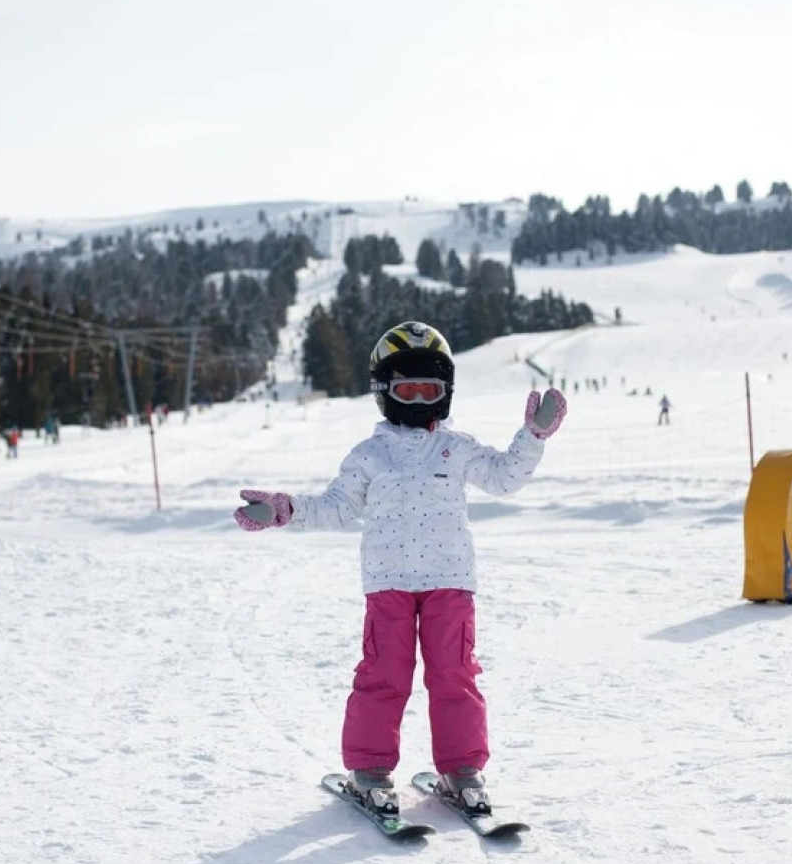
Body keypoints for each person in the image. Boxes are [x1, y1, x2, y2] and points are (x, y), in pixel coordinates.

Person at [234, 321, 567, 820]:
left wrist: (533, 436)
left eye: (427, 389)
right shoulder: (370, 455)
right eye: (405, 389)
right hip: (388, 584)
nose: (415, 400)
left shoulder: (456, 448)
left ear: (445, 392)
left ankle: (462, 770)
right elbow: (338, 507)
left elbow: (503, 478)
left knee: (455, 676)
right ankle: (368, 770)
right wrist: (285, 509)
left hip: (449, 583)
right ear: (383, 392)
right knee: (383, 676)